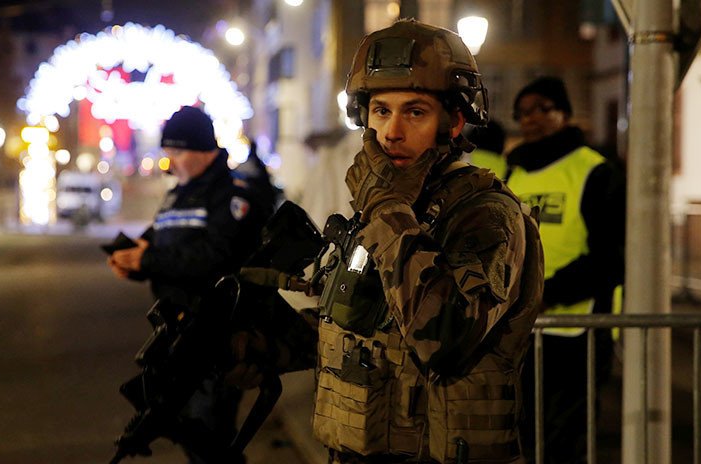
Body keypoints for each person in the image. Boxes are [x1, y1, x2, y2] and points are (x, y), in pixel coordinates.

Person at [227, 19, 544, 463]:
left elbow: (444, 340)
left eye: (414, 112)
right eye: (380, 111)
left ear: (453, 122)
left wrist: (385, 209)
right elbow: (363, 325)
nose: (391, 132)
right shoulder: (391, 209)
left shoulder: (485, 214)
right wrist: (266, 347)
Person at [107, 105, 270, 463]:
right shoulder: (178, 194)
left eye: (177, 152)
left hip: (213, 335)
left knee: (208, 435)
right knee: (193, 435)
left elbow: (215, 260)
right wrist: (133, 260)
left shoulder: (231, 196)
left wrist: (147, 260)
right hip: (175, 332)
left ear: (202, 150)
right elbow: (160, 241)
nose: (171, 161)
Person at [506, 76, 626, 463]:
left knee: (565, 440)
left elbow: (610, 257)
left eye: (543, 108)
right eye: (523, 112)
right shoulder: (516, 174)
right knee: (522, 433)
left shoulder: (595, 171)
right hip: (524, 328)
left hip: (579, 330)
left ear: (565, 113)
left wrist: (546, 295)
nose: (532, 119)